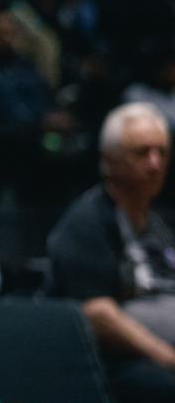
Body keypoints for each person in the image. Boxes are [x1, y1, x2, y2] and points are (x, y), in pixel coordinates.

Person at [46, 103, 175, 403]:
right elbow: (97, 314)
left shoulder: (158, 222)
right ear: (110, 161)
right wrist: (168, 358)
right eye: (142, 153)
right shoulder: (87, 222)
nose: (155, 164)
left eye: (162, 152)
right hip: (117, 362)